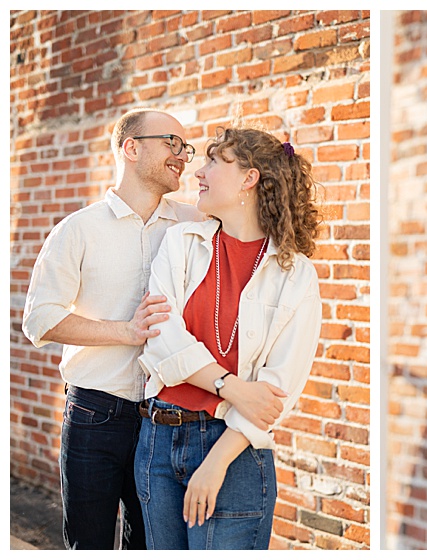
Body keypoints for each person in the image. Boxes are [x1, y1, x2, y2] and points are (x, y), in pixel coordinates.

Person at [22, 108, 207, 549]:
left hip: (163, 418)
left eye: (187, 147)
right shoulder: (78, 229)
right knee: (89, 543)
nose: (183, 156)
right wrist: (125, 332)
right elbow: (39, 319)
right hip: (94, 415)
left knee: (150, 543)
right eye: (172, 144)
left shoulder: (192, 224)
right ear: (131, 148)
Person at [134, 127, 322, 549]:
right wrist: (231, 386)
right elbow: (160, 337)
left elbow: (277, 390)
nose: (198, 172)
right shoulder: (182, 242)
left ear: (248, 178)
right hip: (157, 443)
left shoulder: (295, 275)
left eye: (214, 162)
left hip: (234, 451)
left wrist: (216, 463)